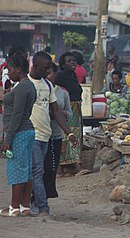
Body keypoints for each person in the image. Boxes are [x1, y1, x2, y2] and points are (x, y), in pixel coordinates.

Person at [29, 51, 78, 216]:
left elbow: (57, 111)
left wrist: (69, 133)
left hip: (48, 135)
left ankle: (35, 202)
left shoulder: (49, 87)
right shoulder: (25, 85)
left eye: (50, 69)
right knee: (37, 171)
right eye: (45, 68)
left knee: (45, 171)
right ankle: (42, 207)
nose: (47, 72)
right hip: (31, 135)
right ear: (35, 66)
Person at [0, 51, 36, 217]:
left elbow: (17, 114)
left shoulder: (22, 87)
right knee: (26, 169)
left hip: (19, 131)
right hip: (26, 131)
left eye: (10, 69)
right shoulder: (28, 86)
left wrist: (8, 139)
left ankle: (14, 207)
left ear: (19, 69)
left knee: (17, 169)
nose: (8, 72)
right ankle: (24, 205)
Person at [45, 63, 72, 199]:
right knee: (41, 166)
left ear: (55, 74)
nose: (47, 76)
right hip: (41, 134)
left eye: (50, 73)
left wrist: (63, 114)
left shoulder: (63, 92)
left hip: (56, 133)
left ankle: (49, 191)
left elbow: (70, 112)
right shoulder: (39, 89)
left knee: (53, 166)